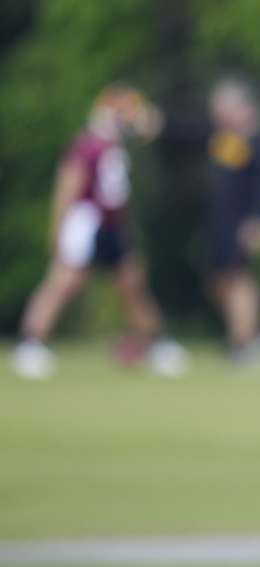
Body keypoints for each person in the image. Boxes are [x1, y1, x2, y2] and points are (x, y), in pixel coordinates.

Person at [10, 84, 187, 380]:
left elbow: (149, 128)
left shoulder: (114, 145)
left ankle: (155, 343)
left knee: (132, 284)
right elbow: (68, 186)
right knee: (64, 281)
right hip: (86, 222)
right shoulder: (88, 145)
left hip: (112, 225)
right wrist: (58, 228)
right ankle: (31, 343)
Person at [164, 77, 260, 366]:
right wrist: (154, 123)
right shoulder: (226, 138)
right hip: (220, 222)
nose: (216, 112)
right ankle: (247, 335)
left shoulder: (259, 143)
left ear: (243, 107)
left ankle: (246, 342)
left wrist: (257, 221)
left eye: (222, 106)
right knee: (217, 280)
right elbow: (188, 134)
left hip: (242, 222)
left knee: (240, 278)